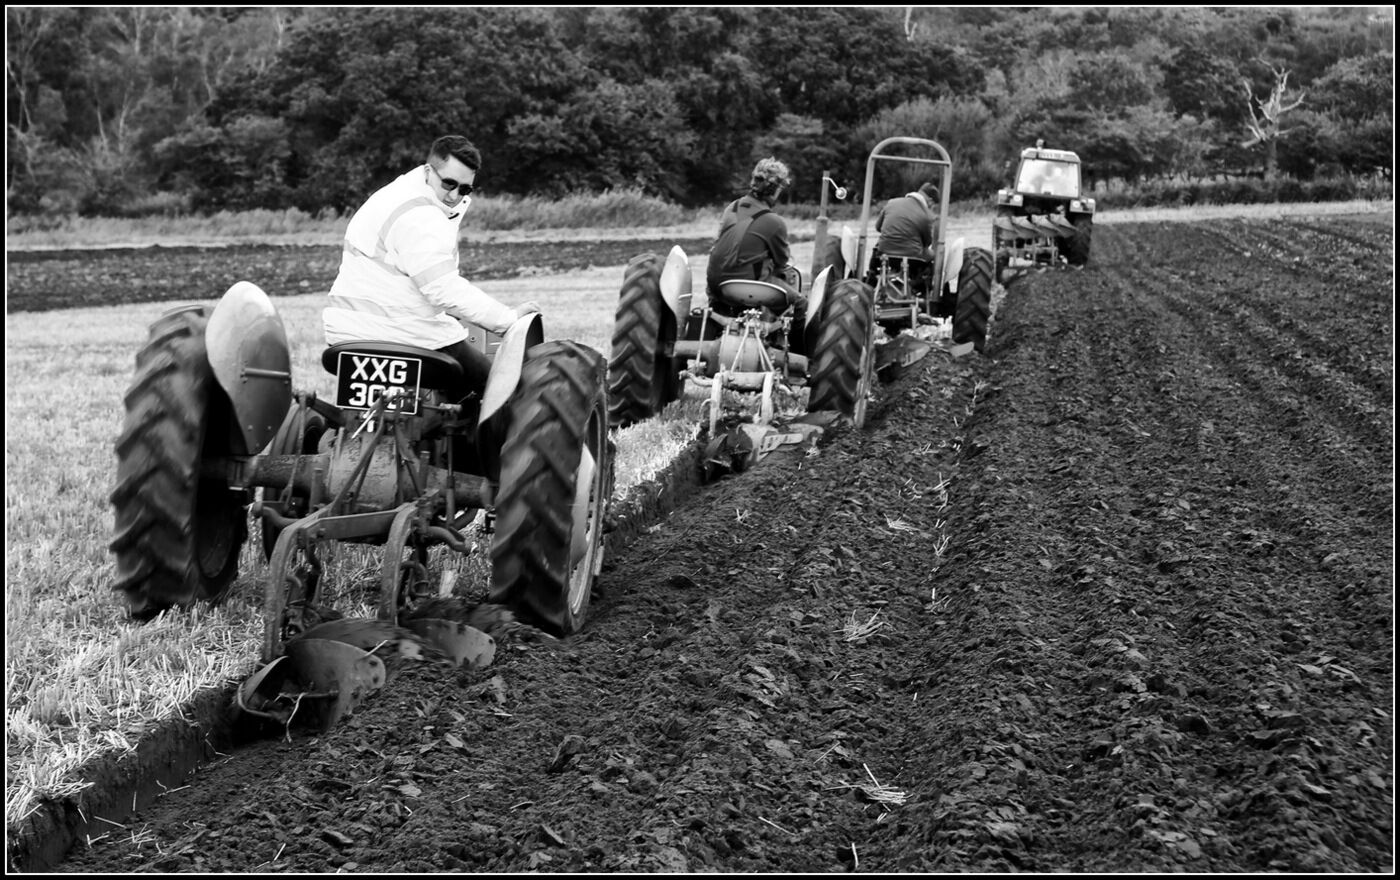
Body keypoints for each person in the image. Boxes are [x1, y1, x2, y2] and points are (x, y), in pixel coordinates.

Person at [323, 134, 540, 395]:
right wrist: (506, 320)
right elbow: (442, 287)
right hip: (404, 336)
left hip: (345, 334)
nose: (454, 195)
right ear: (428, 171)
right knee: (494, 386)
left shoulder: (388, 196)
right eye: (448, 183)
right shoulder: (423, 215)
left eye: (465, 189)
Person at [705, 156, 806, 353]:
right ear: (776, 190)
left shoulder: (731, 208)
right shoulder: (774, 221)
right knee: (801, 304)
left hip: (716, 284)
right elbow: (781, 262)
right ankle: (801, 357)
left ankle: (717, 333)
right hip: (749, 285)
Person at [868, 180, 940, 296]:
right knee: (932, 254)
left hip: (885, 254)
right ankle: (924, 289)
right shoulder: (927, 215)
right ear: (930, 200)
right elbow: (927, 242)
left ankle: (871, 279)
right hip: (913, 258)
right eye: (932, 205)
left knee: (877, 246)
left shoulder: (892, 203)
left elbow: (878, 227)